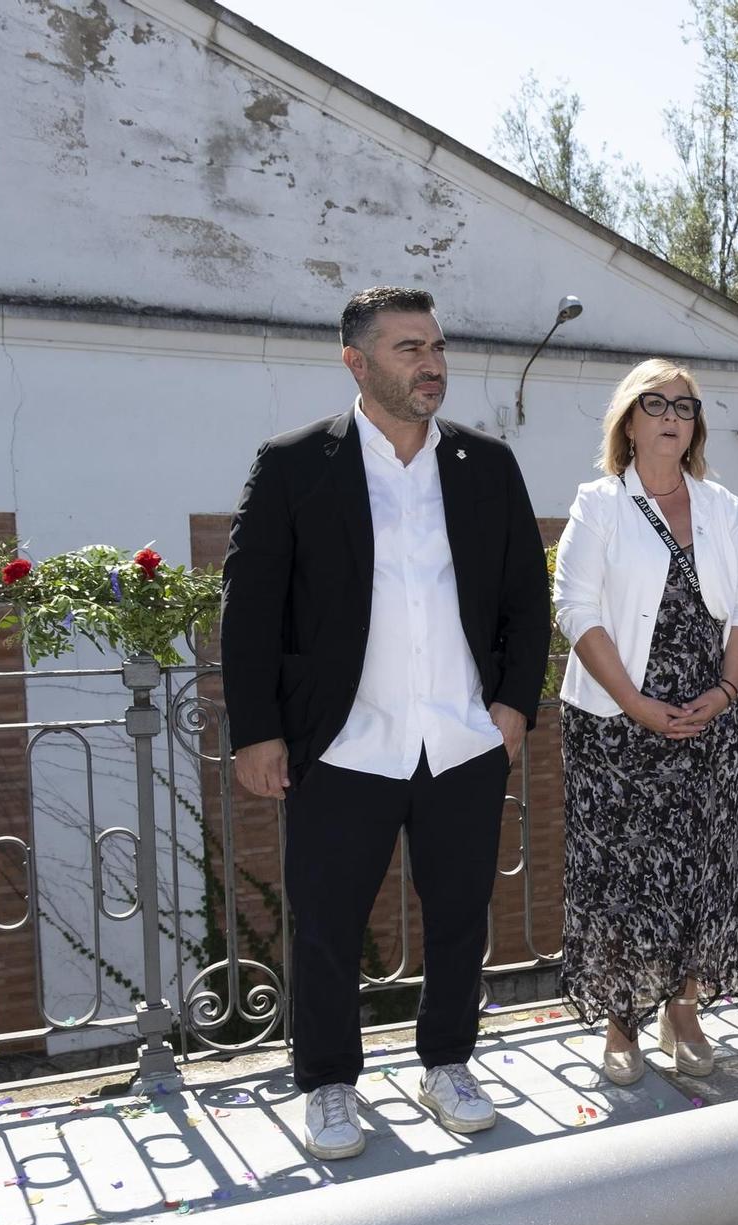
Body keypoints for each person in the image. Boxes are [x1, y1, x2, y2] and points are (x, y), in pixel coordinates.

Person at [221, 287, 550, 1160]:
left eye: (437, 344)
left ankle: (448, 1062)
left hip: (461, 741)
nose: (432, 361)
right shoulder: (295, 465)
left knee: (459, 919)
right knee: (326, 922)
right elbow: (249, 609)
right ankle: (329, 1083)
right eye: (409, 347)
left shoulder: (487, 464)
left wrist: (514, 705)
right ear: (356, 362)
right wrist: (256, 731)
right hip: (343, 742)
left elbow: (527, 596)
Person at [551, 359, 738, 1083]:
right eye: (656, 403)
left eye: (685, 405)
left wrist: (730, 687)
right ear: (629, 420)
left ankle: (683, 1007)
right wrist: (636, 703)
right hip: (617, 723)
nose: (673, 415)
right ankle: (621, 1023)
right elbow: (575, 609)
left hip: (710, 715)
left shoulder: (720, 504)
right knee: (625, 871)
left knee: (701, 866)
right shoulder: (600, 503)